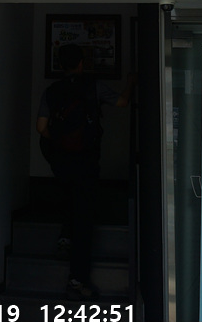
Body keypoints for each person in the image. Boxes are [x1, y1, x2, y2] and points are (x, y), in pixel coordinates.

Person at [36, 43, 135, 301]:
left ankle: (64, 238)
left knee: (67, 197)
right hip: (86, 161)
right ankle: (77, 280)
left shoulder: (51, 91)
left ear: (61, 65)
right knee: (84, 217)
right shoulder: (94, 86)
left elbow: (41, 127)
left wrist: (60, 142)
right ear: (81, 63)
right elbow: (123, 102)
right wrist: (130, 83)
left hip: (61, 160)